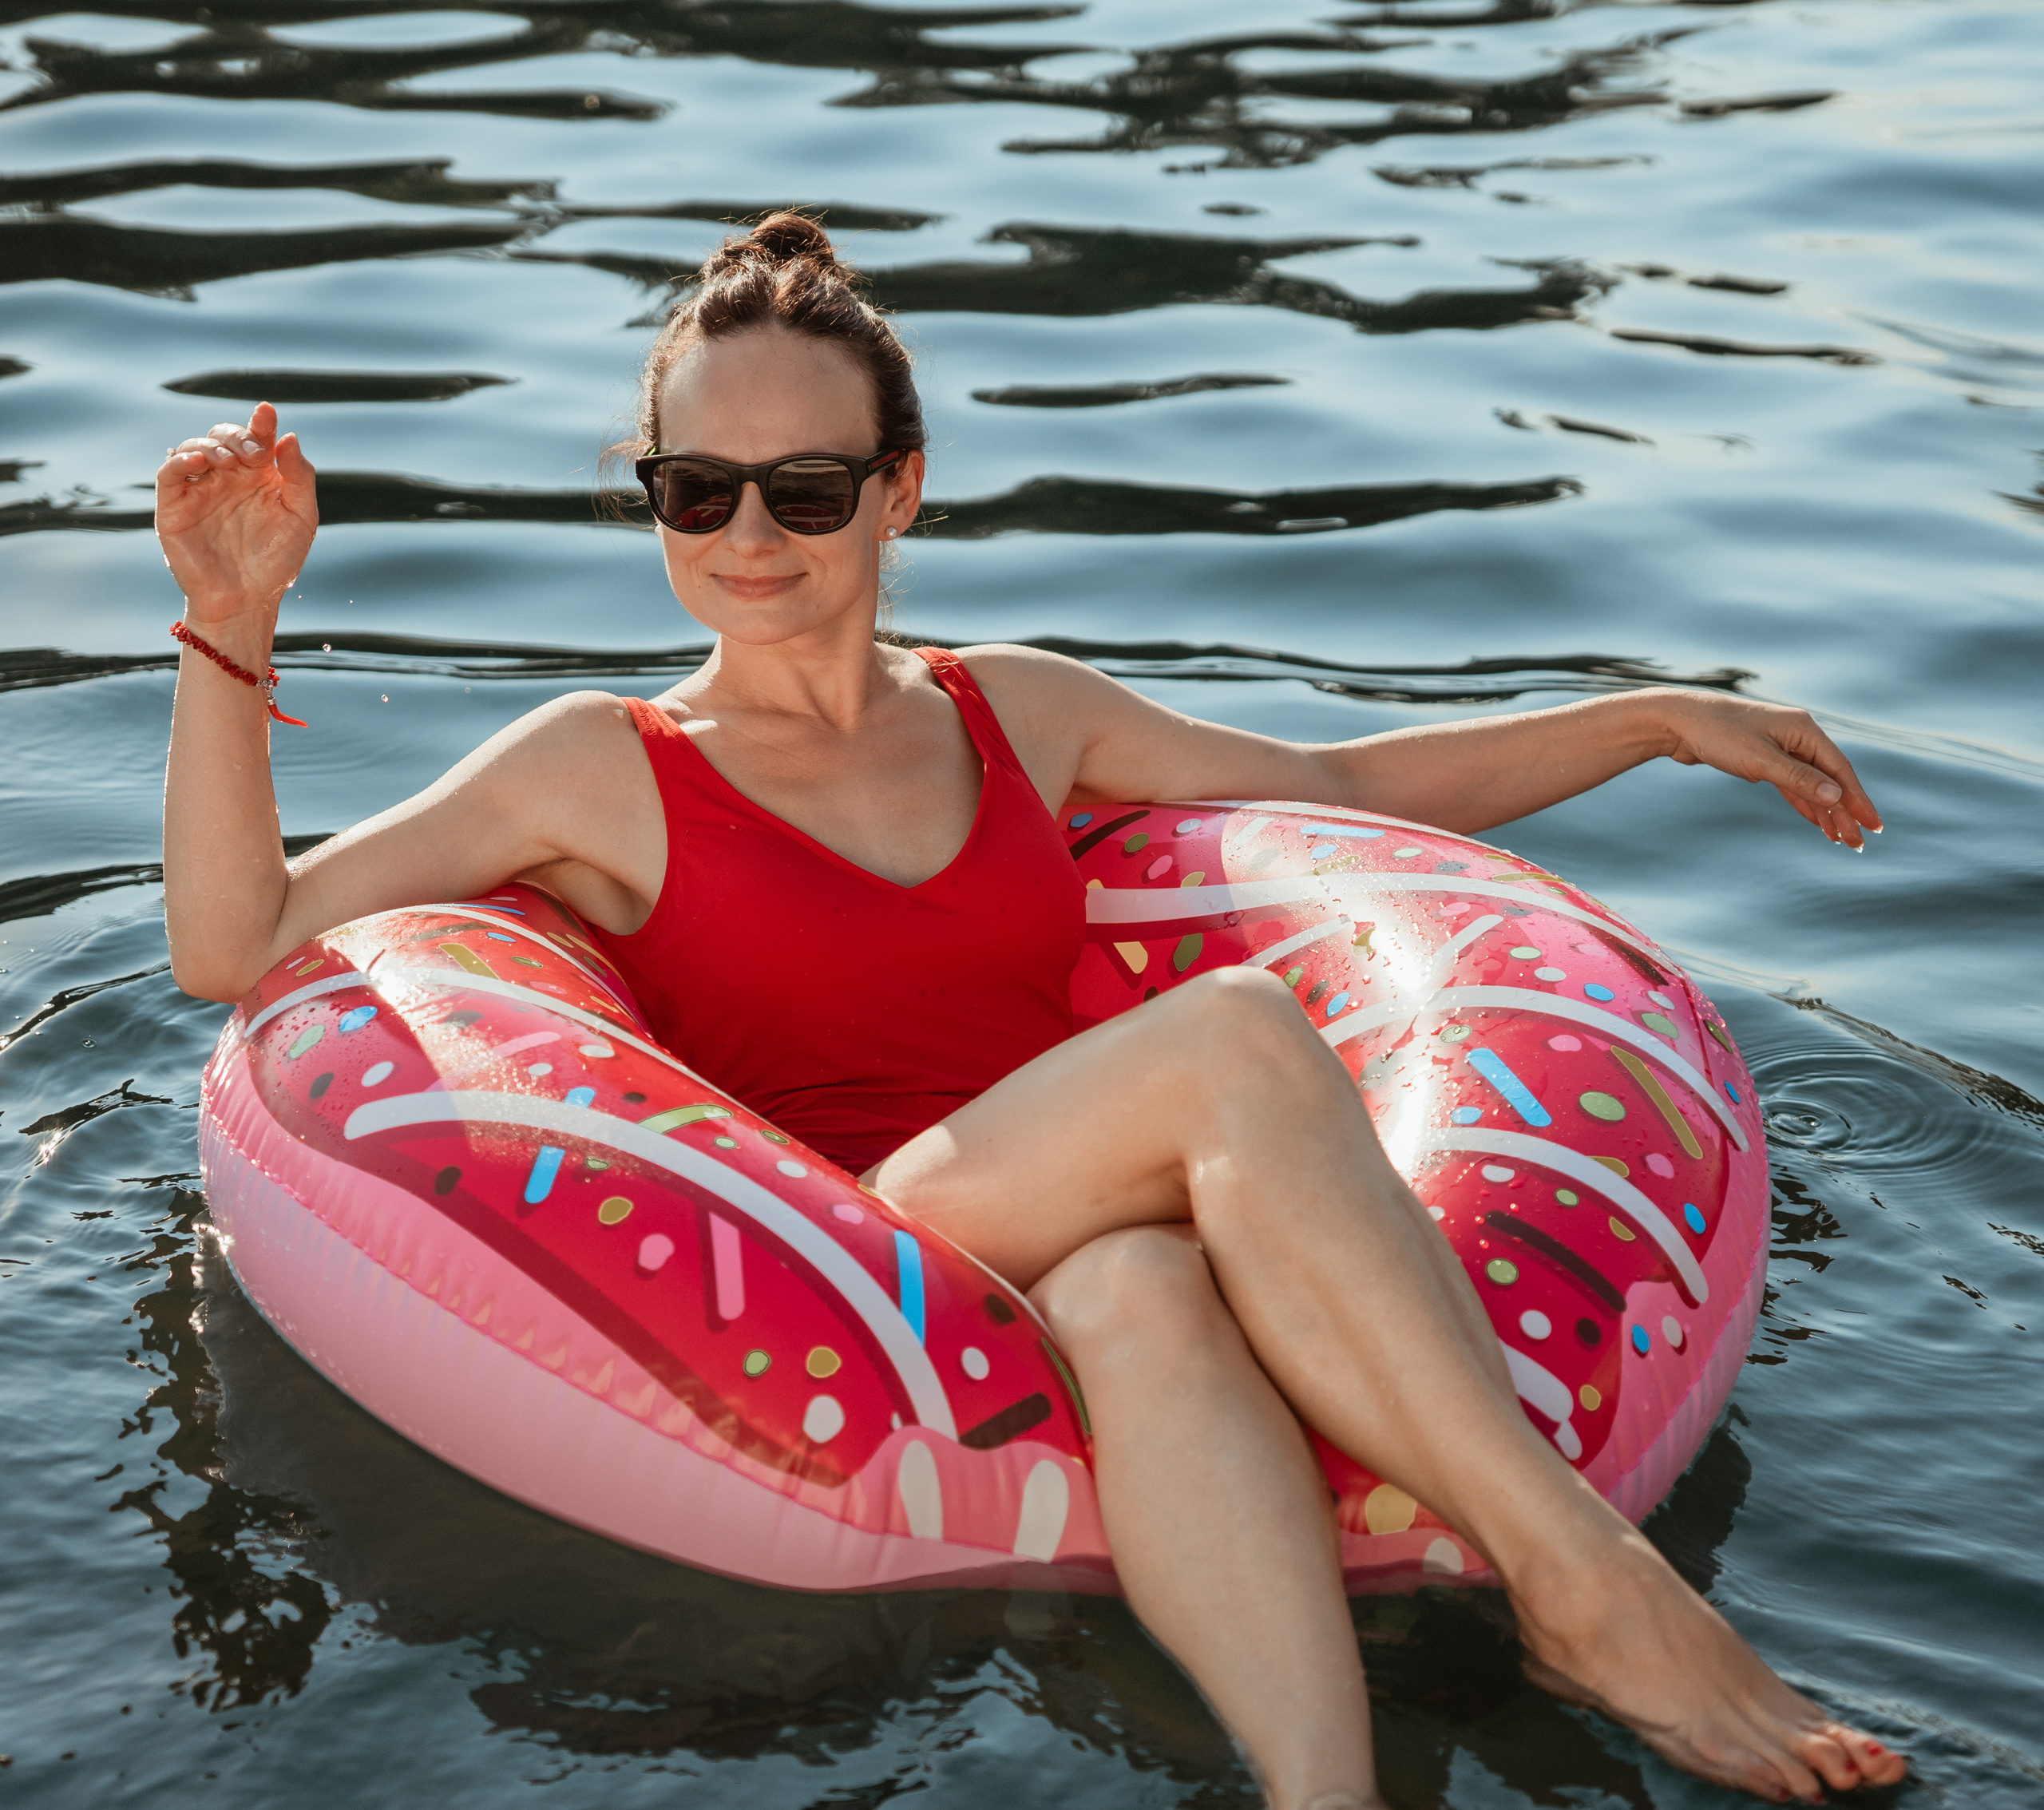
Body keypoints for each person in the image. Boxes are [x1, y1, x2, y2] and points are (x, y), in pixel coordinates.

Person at [156, 213, 1902, 1810]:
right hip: (856, 1249)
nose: (748, 536)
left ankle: (1324, 1791)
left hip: (1084, 1231)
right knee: (1233, 1038)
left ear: (901, 489)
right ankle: (1589, 1585)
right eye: (696, 490)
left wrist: (1652, 718)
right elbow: (241, 943)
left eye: (806, 488)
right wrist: (232, 628)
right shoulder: (601, 766)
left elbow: (1341, 777)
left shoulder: (1019, 715)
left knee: (1142, 1287)